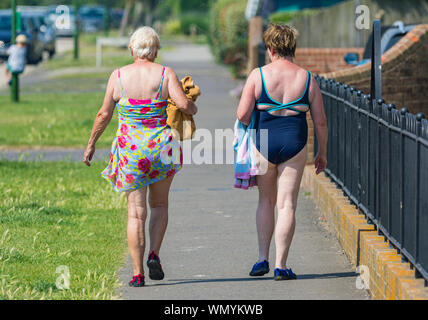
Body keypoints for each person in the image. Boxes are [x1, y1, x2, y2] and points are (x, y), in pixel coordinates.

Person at [83, 26, 198, 287]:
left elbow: (103, 114)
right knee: (159, 205)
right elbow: (183, 105)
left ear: (131, 49)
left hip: (131, 149)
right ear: (155, 50)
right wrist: (193, 106)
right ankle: (154, 253)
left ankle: (137, 274)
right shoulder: (165, 73)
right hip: (161, 147)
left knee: (136, 212)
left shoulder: (119, 76)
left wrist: (91, 144)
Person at [236, 24, 328, 280]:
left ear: (271, 48)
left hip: (264, 141)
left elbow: (242, 114)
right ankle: (281, 265)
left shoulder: (258, 75)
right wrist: (322, 152)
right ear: (292, 48)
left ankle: (261, 258)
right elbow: (320, 121)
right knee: (287, 204)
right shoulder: (307, 78)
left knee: (265, 201)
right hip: (294, 141)